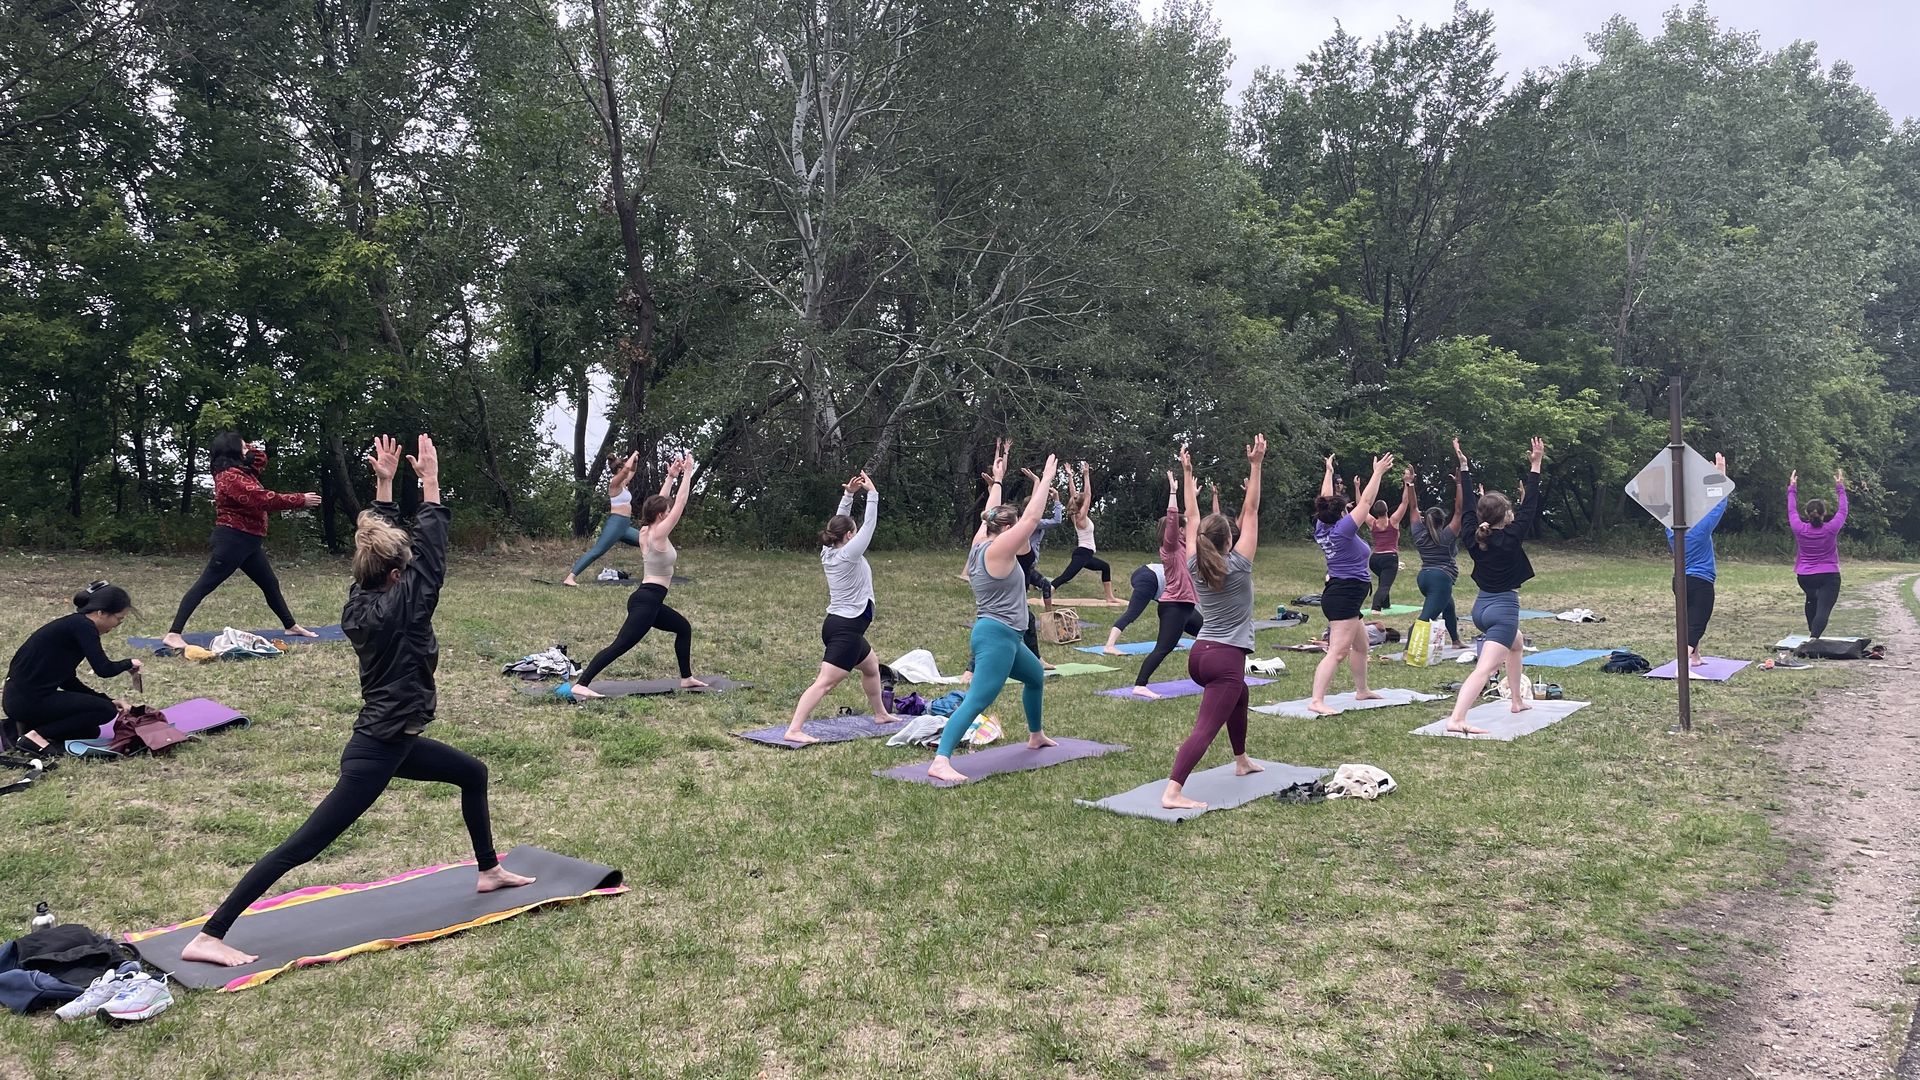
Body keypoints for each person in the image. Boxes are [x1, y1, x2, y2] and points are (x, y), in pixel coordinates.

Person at [178, 435, 534, 968]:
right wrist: (431, 484)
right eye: (405, 568)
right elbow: (431, 554)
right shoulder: (403, 609)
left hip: (393, 738)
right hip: (378, 748)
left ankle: (489, 870)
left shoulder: (360, 598)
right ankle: (209, 934)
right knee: (302, 846)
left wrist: (385, 486)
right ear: (397, 577)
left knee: (472, 773)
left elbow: (378, 545)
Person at [927, 447, 1062, 785]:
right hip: (997, 637)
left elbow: (991, 514)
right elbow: (1031, 520)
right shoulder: (999, 550)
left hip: (1006, 636)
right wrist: (1047, 478)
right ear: (1005, 529)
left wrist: (998, 481)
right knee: (978, 699)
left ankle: (1036, 735)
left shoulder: (981, 541)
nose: (1019, 533)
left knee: (1035, 677)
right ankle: (941, 759)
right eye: (1012, 528)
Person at [1161, 435, 1267, 811]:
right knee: (1205, 729)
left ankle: (1241, 759)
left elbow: (1192, 517)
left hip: (1200, 654)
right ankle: (1173, 791)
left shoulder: (1194, 562)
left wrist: (1188, 473)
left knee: (1241, 695)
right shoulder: (1239, 565)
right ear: (1228, 540)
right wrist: (1256, 465)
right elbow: (1251, 510)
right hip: (1224, 659)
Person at [161, 434, 322, 652]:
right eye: (243, 446)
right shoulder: (229, 477)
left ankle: (290, 626)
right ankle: (173, 634)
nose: (248, 449)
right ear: (233, 451)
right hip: (233, 540)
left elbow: (260, 459)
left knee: (269, 583)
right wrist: (300, 499)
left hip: (248, 542)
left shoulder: (242, 472)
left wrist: (248, 447)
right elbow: (262, 499)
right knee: (205, 585)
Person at [563, 455, 704, 698]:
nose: (669, 512)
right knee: (620, 645)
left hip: (649, 600)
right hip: (647, 602)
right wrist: (688, 472)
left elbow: (660, 502)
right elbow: (680, 502)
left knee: (683, 628)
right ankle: (581, 684)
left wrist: (671, 477)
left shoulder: (646, 531)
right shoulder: (658, 534)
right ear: (661, 515)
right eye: (666, 511)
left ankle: (686, 678)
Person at [783, 472, 901, 743]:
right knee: (825, 683)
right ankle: (794, 729)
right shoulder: (849, 554)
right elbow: (869, 525)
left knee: (871, 667)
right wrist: (872, 494)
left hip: (840, 625)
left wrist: (848, 495)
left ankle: (881, 714)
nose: (857, 535)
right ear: (849, 536)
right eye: (853, 532)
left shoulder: (829, 551)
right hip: (846, 629)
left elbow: (838, 523)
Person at [1439, 437, 1546, 735]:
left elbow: (1467, 506)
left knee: (1517, 644)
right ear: (1505, 515)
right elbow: (1530, 504)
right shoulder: (1510, 538)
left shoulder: (1472, 536)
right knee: (1484, 669)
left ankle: (1516, 701)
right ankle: (1457, 718)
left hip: (1481, 609)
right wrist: (1536, 464)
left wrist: (1464, 467)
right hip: (1503, 611)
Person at [1102, 462, 1204, 698]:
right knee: (1163, 648)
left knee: (1209, 634)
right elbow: (1174, 519)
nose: (1187, 528)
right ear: (1177, 531)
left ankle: (1211, 672)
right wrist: (1173, 492)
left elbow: (1192, 519)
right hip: (1174, 606)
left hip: (1186, 607)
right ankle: (1140, 684)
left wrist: (1192, 495)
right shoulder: (1170, 548)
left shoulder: (1186, 546)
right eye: (1183, 527)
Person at [2, 583, 142, 756]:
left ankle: (24, 727)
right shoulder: (84, 626)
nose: (116, 625)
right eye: (118, 619)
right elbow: (104, 669)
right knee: (105, 711)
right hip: (28, 701)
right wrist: (128, 663)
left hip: (18, 700)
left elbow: (68, 681)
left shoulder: (72, 625)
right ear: (101, 613)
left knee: (90, 731)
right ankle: (35, 736)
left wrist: (107, 699)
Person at [1306, 453, 1394, 715]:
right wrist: (1377, 473)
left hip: (1345, 594)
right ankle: (1316, 700)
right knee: (1337, 651)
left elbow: (1325, 499)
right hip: (1344, 595)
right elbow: (1366, 501)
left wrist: (1329, 471)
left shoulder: (1322, 526)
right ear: (1342, 514)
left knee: (1361, 646)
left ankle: (1362, 690)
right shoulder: (1343, 530)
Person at [1667, 453, 1730, 665]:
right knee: (1696, 625)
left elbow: (1676, 504)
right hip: (1700, 582)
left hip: (1679, 581)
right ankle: (1682, 665)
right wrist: (1720, 475)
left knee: (1688, 621)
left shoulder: (1671, 529)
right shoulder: (1700, 528)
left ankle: (1695, 657)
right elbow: (1720, 503)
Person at [1412, 452, 1468, 650]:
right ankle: (1409, 650)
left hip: (1424, 577)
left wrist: (1409, 485)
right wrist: (1459, 484)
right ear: (1442, 521)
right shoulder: (1446, 536)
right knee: (1426, 618)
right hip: (1440, 579)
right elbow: (1459, 510)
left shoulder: (1419, 534)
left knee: (1448, 606)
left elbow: (1412, 508)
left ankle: (1456, 641)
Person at [561, 453, 642, 586]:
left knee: (647, 542)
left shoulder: (624, 483)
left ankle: (655, 574)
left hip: (625, 526)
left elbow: (631, 469)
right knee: (597, 551)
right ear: (618, 470)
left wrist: (635, 461)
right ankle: (570, 578)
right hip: (616, 524)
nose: (625, 472)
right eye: (622, 469)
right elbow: (627, 469)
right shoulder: (614, 484)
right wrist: (633, 455)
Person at [1788, 467, 1849, 638]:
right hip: (1829, 575)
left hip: (1805, 577)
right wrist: (1840, 487)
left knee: (1812, 599)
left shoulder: (1799, 528)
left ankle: (1812, 634)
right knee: (1823, 609)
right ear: (1824, 513)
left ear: (1806, 514)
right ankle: (1814, 638)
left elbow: (1791, 510)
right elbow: (1843, 511)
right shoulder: (1831, 529)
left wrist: (1792, 488)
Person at [1050, 461, 1115, 602]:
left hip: (1086, 554)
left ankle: (1109, 597)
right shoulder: (1081, 517)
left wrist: (1070, 476)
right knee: (1066, 577)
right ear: (1082, 505)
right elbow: (1088, 494)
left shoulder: (1075, 515)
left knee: (1105, 567)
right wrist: (1086, 475)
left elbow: (1073, 494)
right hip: (1083, 553)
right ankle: (1048, 590)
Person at [1367, 471, 1413, 612]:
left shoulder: (1372, 522)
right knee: (1385, 585)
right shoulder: (1393, 521)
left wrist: (1357, 488)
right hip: (1389, 558)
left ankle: (1386, 604)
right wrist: (1407, 483)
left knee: (1383, 580)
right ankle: (1376, 607)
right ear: (1386, 510)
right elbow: (1405, 502)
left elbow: (1361, 505)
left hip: (1374, 559)